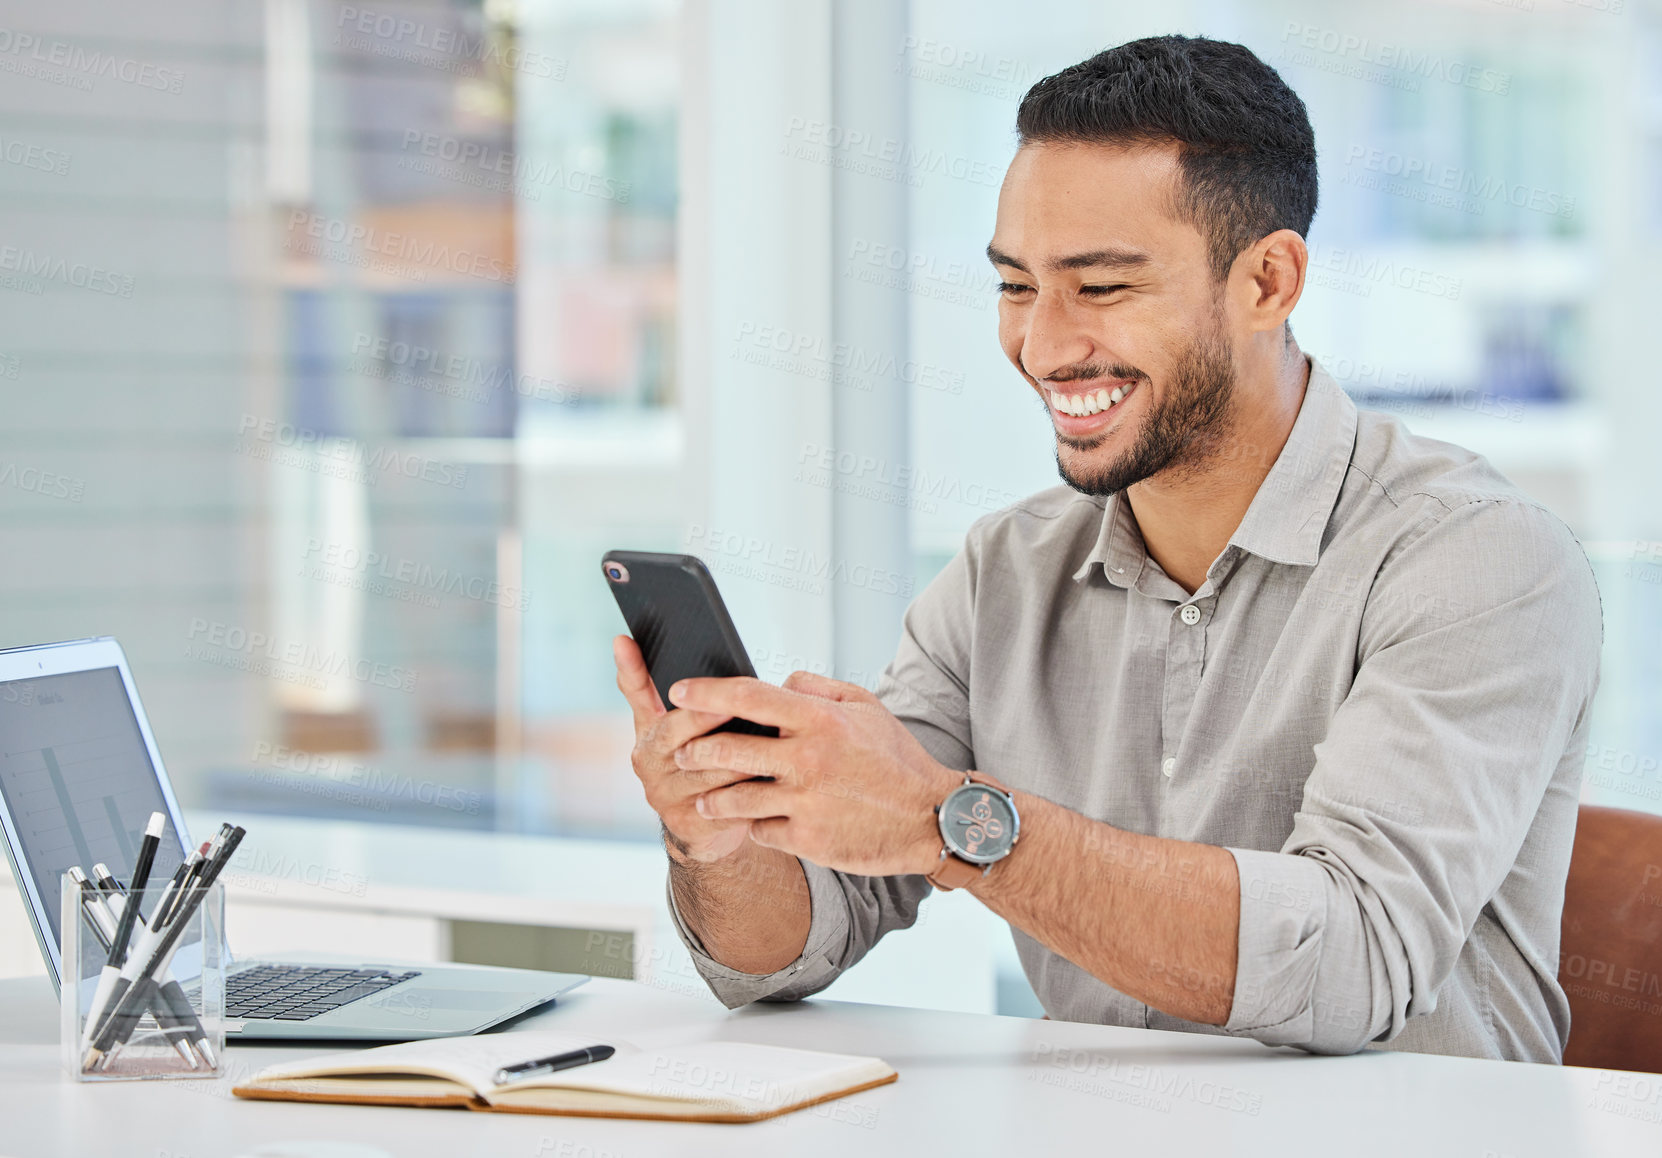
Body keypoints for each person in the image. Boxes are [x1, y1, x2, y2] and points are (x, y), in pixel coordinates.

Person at [611, 34, 1601, 1061]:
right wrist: (719, 831)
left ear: (1267, 281)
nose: (1041, 345)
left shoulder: (1478, 561)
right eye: (1014, 285)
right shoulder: (1004, 572)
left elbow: (1349, 964)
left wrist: (948, 822)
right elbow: (780, 952)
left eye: (1103, 286)